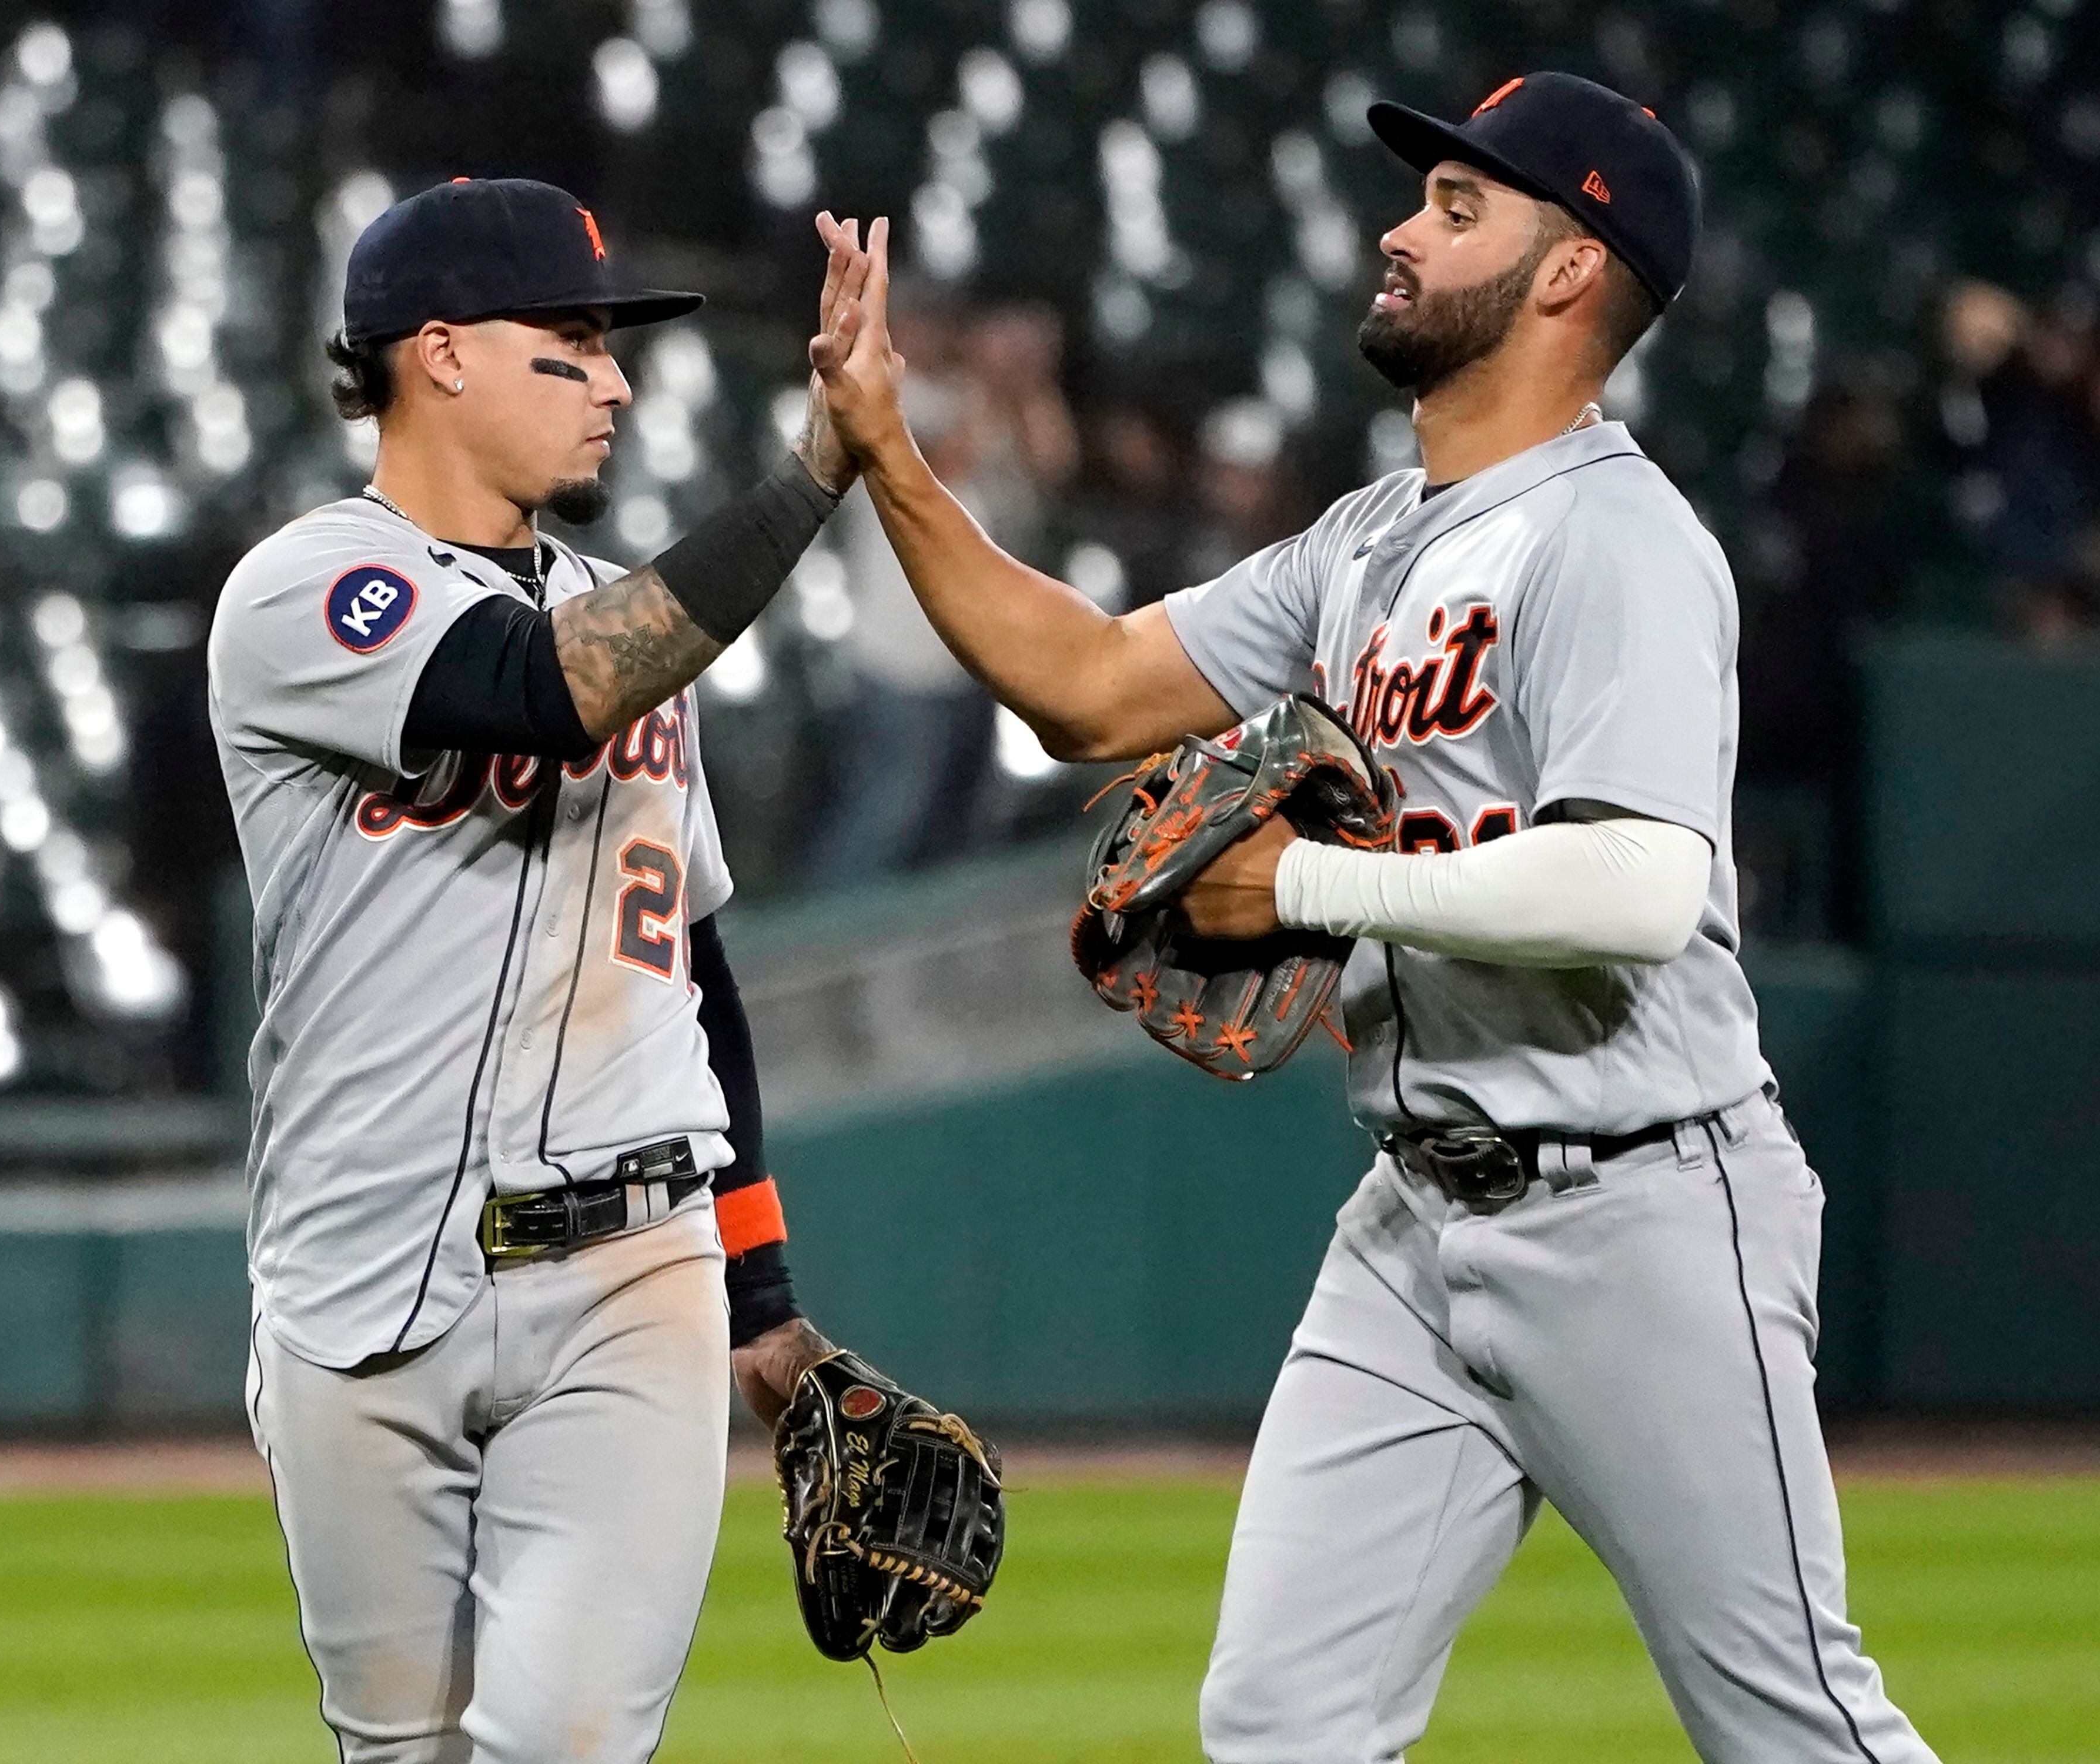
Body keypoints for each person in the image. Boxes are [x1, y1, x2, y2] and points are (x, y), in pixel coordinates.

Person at [810, 74, 1938, 1763]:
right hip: (1414, 1223)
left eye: (1459, 208)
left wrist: (1312, 886)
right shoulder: (1362, 544)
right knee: (1280, 1725)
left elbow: (1640, 890)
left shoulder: (1617, 543)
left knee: (1792, 1731)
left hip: (1641, 1213)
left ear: (1569, 271)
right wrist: (892, 458)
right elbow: (1089, 686)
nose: (1401, 230)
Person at [206, 176, 870, 1763]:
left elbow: (689, 964)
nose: (617, 382)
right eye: (569, 343)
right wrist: (816, 470)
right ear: (437, 355)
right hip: (362, 1276)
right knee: (402, 1752)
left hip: (631, 1269)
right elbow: (537, 691)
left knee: (562, 1747)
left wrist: (761, 1294)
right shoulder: (304, 592)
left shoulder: (636, 623)